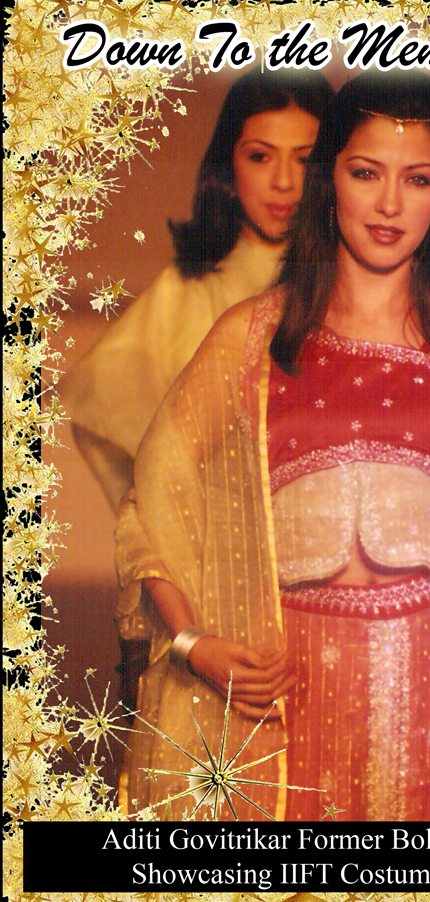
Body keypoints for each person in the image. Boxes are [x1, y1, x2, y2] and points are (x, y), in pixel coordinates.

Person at [116, 72, 430, 822]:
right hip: (279, 710)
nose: (391, 204)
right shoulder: (253, 339)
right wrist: (194, 643)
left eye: (417, 179)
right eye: (366, 173)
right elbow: (154, 498)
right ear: (330, 181)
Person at [60, 70, 334, 708]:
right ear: (227, 166)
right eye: (261, 156)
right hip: (208, 599)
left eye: (306, 159)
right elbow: (139, 479)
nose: (285, 183)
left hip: (335, 596)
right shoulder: (181, 301)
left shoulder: (352, 290)